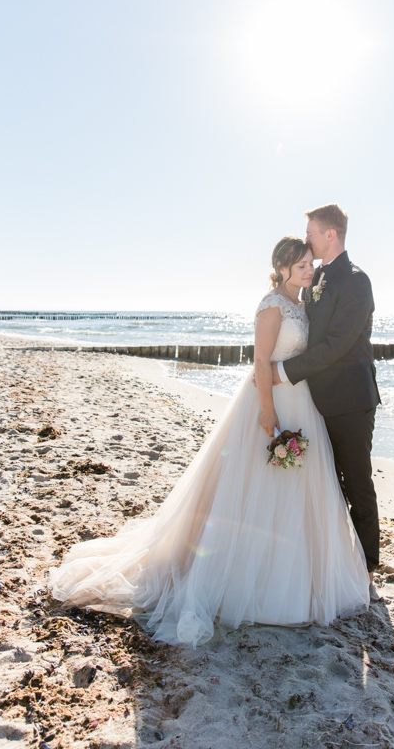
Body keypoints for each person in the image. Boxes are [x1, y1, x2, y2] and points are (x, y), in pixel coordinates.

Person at [49, 237, 370, 647]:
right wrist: (267, 411)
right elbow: (259, 361)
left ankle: (298, 580)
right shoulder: (271, 305)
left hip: (301, 403)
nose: (310, 270)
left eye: (311, 263)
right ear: (282, 268)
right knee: (254, 486)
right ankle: (245, 580)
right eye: (303, 265)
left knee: (298, 488)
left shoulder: (303, 305)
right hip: (270, 401)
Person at [271, 206, 381, 598]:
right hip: (315, 399)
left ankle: (366, 567)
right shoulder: (313, 276)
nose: (307, 239)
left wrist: (284, 372)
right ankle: (335, 560)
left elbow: (337, 345)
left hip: (350, 401)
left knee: (357, 483)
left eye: (311, 232)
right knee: (326, 485)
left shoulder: (356, 281)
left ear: (330, 234)